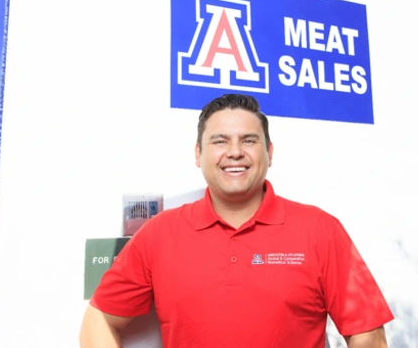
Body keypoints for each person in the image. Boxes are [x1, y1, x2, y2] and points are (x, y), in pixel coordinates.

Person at [80, 93, 394, 347]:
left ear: (269, 152)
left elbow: (367, 334)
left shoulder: (320, 230)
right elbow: (100, 318)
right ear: (197, 154)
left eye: (248, 140)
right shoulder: (159, 234)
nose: (234, 152)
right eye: (220, 141)